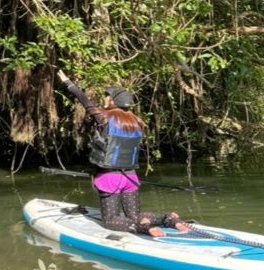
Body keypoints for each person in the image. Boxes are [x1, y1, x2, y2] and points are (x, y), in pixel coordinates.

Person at [56, 70, 190, 238]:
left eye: (107, 96)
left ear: (114, 101)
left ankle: (143, 228)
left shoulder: (104, 117)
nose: (104, 99)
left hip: (109, 178)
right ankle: (168, 219)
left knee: (110, 220)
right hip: (130, 177)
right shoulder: (137, 121)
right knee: (134, 215)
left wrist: (68, 83)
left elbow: (84, 101)